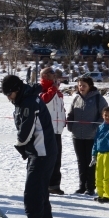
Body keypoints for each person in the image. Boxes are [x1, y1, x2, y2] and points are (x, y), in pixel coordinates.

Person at [1, 74, 55, 218]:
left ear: (17, 89)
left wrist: (20, 146)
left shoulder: (29, 103)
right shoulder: (25, 99)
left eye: (9, 94)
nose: (8, 98)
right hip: (41, 151)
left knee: (32, 193)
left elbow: (25, 133)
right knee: (40, 192)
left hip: (41, 152)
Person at [66, 76, 108, 195]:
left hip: (92, 136)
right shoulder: (76, 98)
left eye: (84, 85)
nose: (81, 88)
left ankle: (90, 186)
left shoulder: (98, 98)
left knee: (90, 161)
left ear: (90, 86)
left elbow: (105, 114)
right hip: (77, 135)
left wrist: (96, 126)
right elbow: (71, 113)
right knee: (81, 161)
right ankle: (81, 186)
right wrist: (70, 125)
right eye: (79, 85)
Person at [38, 67, 66, 195]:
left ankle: (54, 185)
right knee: (46, 159)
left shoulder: (56, 90)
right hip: (45, 131)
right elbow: (45, 100)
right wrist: (53, 89)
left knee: (56, 159)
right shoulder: (40, 88)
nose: (54, 76)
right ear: (44, 75)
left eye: (54, 74)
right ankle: (44, 184)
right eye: (51, 74)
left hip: (57, 130)